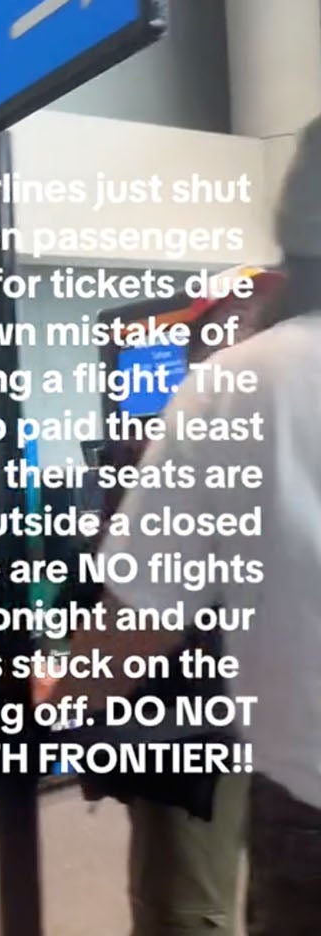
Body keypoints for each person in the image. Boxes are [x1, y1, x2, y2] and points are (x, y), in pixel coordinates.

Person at [44, 116, 321, 936]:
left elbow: (141, 614)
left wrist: (58, 698)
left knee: (184, 904)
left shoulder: (248, 387)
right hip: (215, 729)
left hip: (260, 761)